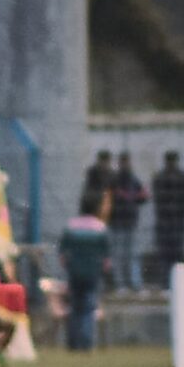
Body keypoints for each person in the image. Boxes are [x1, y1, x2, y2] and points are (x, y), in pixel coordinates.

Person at [59, 190, 111, 352]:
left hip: (74, 272)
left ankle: (73, 343)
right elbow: (106, 259)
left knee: (75, 306)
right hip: (92, 273)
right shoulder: (100, 228)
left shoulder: (71, 225)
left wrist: (71, 266)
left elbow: (63, 254)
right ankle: (86, 342)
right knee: (89, 307)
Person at [152, 150, 184, 288]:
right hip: (174, 221)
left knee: (168, 254)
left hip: (169, 221)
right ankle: (172, 281)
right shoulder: (182, 177)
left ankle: (168, 281)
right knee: (172, 253)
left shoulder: (161, 177)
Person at [108, 152, 148, 292]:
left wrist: (130, 196)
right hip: (117, 222)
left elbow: (143, 196)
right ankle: (120, 284)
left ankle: (135, 283)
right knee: (118, 254)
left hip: (130, 222)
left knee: (132, 254)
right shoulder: (114, 180)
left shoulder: (133, 180)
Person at [82, 150, 114, 222]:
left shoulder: (112, 174)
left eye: (106, 162)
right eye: (102, 161)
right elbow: (89, 191)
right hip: (93, 203)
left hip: (106, 206)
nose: (103, 165)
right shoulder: (92, 172)